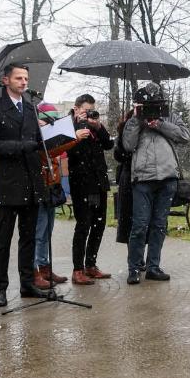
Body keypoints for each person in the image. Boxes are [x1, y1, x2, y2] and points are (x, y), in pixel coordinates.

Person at [0, 63, 48, 306]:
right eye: (19, 78)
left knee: (28, 237)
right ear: (6, 80)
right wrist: (22, 145)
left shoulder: (31, 110)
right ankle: (0, 288)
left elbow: (35, 144)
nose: (24, 82)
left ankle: (27, 284)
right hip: (8, 183)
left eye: (26, 78)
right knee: (3, 239)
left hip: (31, 181)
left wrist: (49, 134)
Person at [122, 83, 190, 285]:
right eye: (148, 104)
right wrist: (137, 119)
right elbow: (128, 145)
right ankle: (134, 268)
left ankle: (153, 267)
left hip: (167, 178)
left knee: (159, 225)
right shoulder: (135, 118)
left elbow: (184, 136)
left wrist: (160, 124)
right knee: (140, 225)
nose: (152, 107)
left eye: (157, 103)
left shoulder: (169, 116)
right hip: (142, 179)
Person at [67, 94, 115, 284]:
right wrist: (78, 128)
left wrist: (98, 126)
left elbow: (109, 144)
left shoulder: (95, 127)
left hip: (99, 180)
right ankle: (77, 269)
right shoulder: (69, 126)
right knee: (83, 225)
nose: (89, 115)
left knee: (99, 224)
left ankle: (91, 265)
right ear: (76, 109)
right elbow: (67, 150)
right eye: (86, 111)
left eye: (91, 111)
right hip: (81, 183)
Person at [32, 102, 69, 289]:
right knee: (38, 233)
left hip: (51, 188)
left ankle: (45, 266)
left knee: (47, 231)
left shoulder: (51, 138)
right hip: (39, 190)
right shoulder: (35, 136)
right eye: (47, 121)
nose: (50, 124)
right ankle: (35, 271)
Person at [114, 109, 135, 246]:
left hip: (140, 176)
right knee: (129, 217)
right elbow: (119, 155)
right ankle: (135, 257)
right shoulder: (124, 131)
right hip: (128, 176)